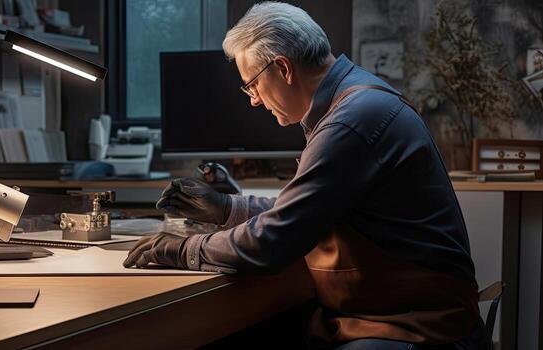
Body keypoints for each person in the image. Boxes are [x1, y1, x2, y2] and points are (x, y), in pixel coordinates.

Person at [123, 2, 490, 349]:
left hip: (420, 327)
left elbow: (275, 240)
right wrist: (225, 207)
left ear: (283, 69)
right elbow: (305, 208)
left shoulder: (349, 122)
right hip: (390, 314)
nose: (253, 100)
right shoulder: (355, 101)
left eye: (251, 84)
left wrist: (183, 248)